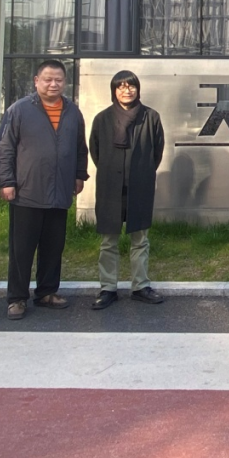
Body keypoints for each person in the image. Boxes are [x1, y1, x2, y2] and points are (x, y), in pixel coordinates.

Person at [0, 59, 89, 321]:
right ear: (36, 81)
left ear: (65, 82)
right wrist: (7, 181)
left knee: (53, 246)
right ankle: (17, 298)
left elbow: (80, 148)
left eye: (59, 80)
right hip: (27, 191)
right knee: (21, 249)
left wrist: (79, 175)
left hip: (60, 190)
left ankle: (47, 291)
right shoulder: (19, 110)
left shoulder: (73, 112)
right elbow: (4, 148)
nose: (53, 84)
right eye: (48, 79)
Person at [89, 70, 166, 310]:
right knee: (108, 241)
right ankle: (108, 288)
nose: (127, 90)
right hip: (110, 187)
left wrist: (142, 171)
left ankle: (140, 286)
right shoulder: (103, 118)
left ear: (138, 89)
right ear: (114, 91)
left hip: (140, 186)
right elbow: (95, 151)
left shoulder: (150, 117)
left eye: (131, 86)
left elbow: (157, 151)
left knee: (140, 239)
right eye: (121, 86)